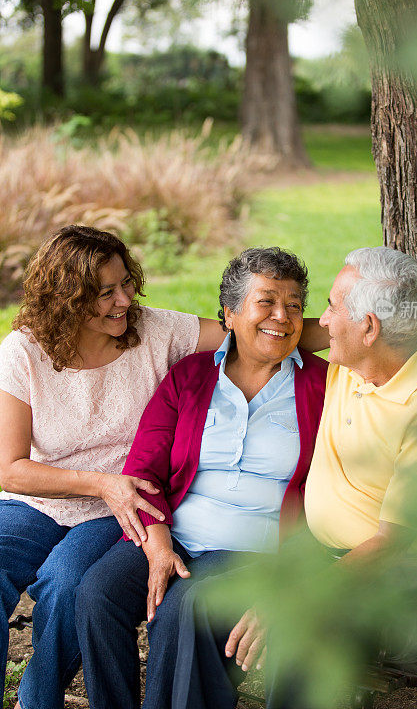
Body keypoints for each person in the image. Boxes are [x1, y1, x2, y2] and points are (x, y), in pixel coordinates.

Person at [171, 245, 417, 709]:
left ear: (368, 327)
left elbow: (394, 543)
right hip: (320, 556)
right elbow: (273, 335)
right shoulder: (351, 371)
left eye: (331, 306)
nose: (321, 322)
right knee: (202, 605)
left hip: (401, 586)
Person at [0, 223, 241, 709]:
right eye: (105, 292)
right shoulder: (23, 352)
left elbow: (250, 332)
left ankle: (36, 699)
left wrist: (344, 330)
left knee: (66, 583)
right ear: (66, 298)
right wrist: (97, 483)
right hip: (41, 496)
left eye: (126, 283)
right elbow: (9, 469)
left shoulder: (155, 330)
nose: (125, 300)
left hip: (125, 503)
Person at [75, 246, 327, 709]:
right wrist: (159, 545)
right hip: (174, 530)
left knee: (174, 614)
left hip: (252, 543)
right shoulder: (189, 376)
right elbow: (145, 469)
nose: (282, 316)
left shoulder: (322, 384)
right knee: (95, 594)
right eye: (266, 301)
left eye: (294, 305)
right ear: (229, 314)